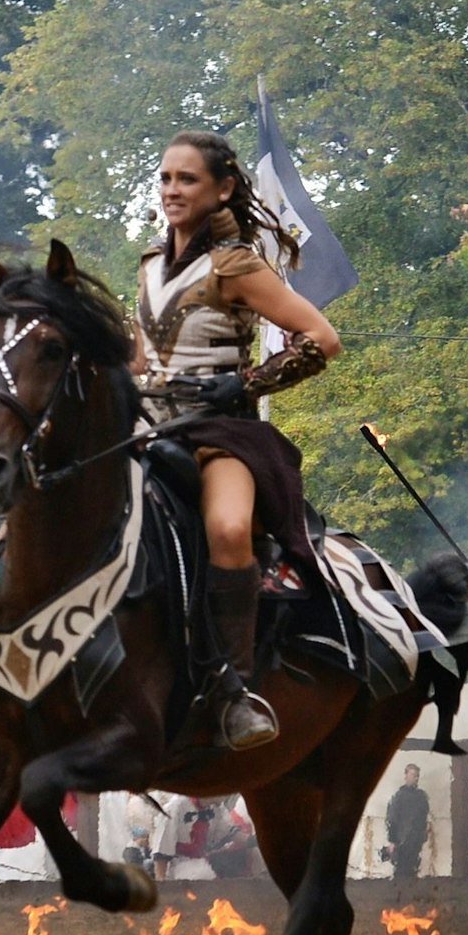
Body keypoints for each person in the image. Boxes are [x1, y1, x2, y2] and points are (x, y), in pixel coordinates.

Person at [132, 129, 343, 750]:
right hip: (149, 426)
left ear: (221, 188)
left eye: (187, 179)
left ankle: (233, 687)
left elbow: (322, 339)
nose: (173, 190)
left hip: (222, 434)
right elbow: (141, 354)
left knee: (226, 529)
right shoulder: (148, 262)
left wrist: (245, 383)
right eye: (166, 178)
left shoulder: (237, 265)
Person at [381, 763, 430, 880]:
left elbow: (424, 818)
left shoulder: (421, 797)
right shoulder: (399, 797)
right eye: (412, 775)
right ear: (406, 776)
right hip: (402, 841)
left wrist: (423, 835)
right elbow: (392, 819)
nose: (415, 778)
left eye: (417, 775)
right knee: (402, 871)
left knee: (412, 870)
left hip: (416, 840)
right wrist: (393, 840)